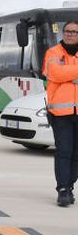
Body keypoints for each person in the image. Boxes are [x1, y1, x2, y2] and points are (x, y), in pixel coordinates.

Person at [44, 21, 78, 206]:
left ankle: (70, 185)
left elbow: (61, 74)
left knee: (76, 154)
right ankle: (63, 189)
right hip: (61, 113)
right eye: (67, 31)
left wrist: (67, 74)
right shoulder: (53, 52)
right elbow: (55, 74)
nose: (70, 34)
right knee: (64, 152)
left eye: (74, 32)